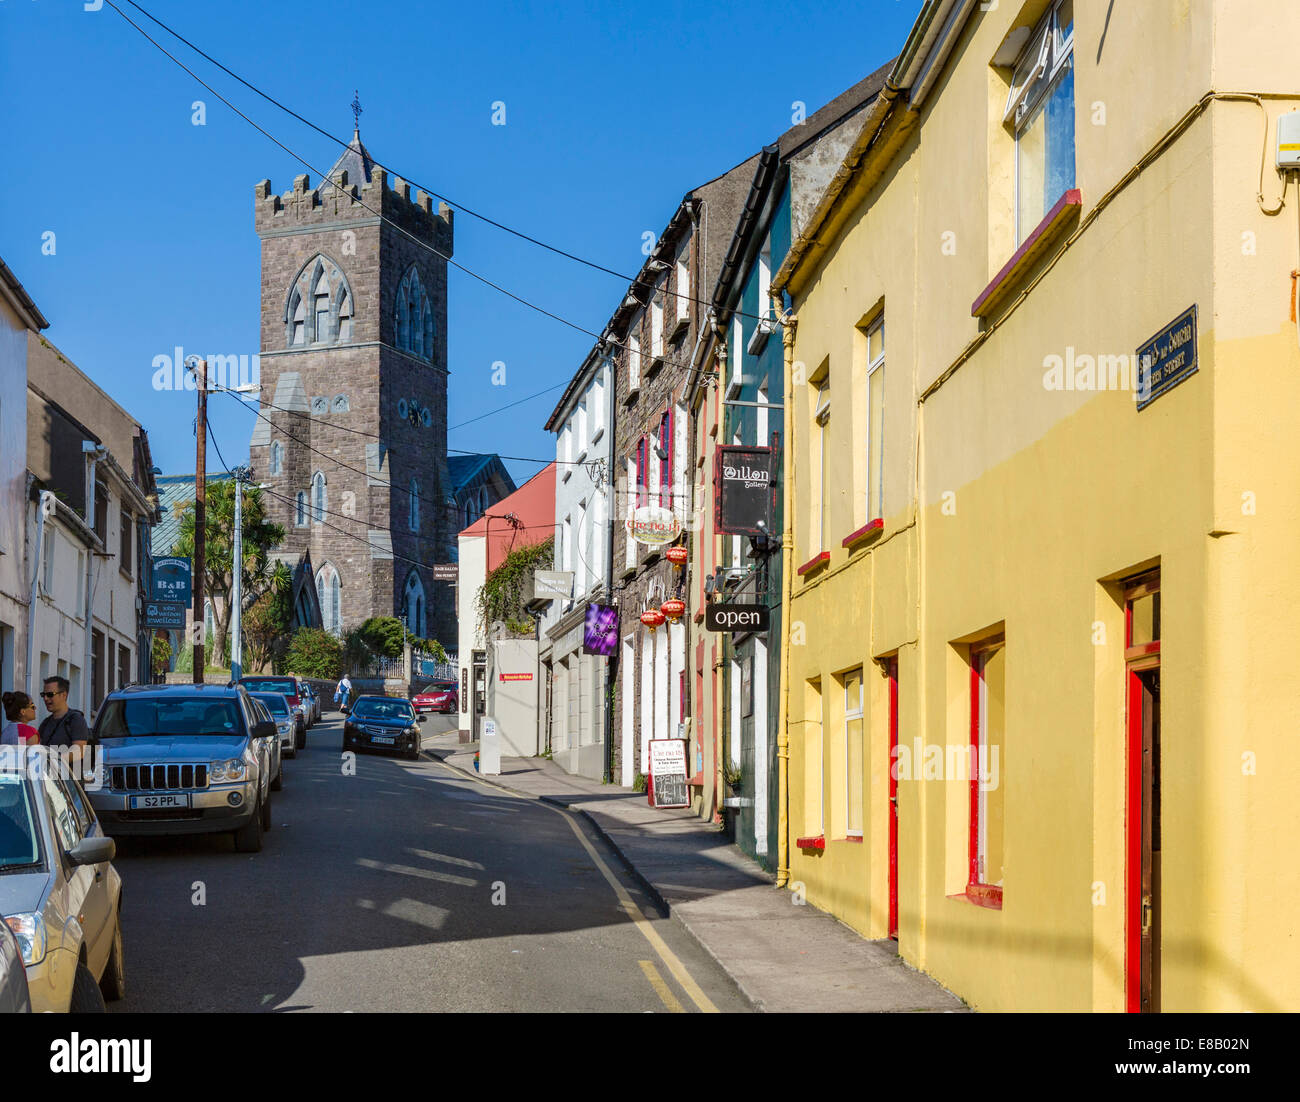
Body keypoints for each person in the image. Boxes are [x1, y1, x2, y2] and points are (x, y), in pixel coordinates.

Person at [37, 676, 90, 748]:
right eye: (43, 695)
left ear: (64, 695)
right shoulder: (45, 723)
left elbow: (79, 751)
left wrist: (56, 759)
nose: (45, 698)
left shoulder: (76, 720)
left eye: (50, 694)